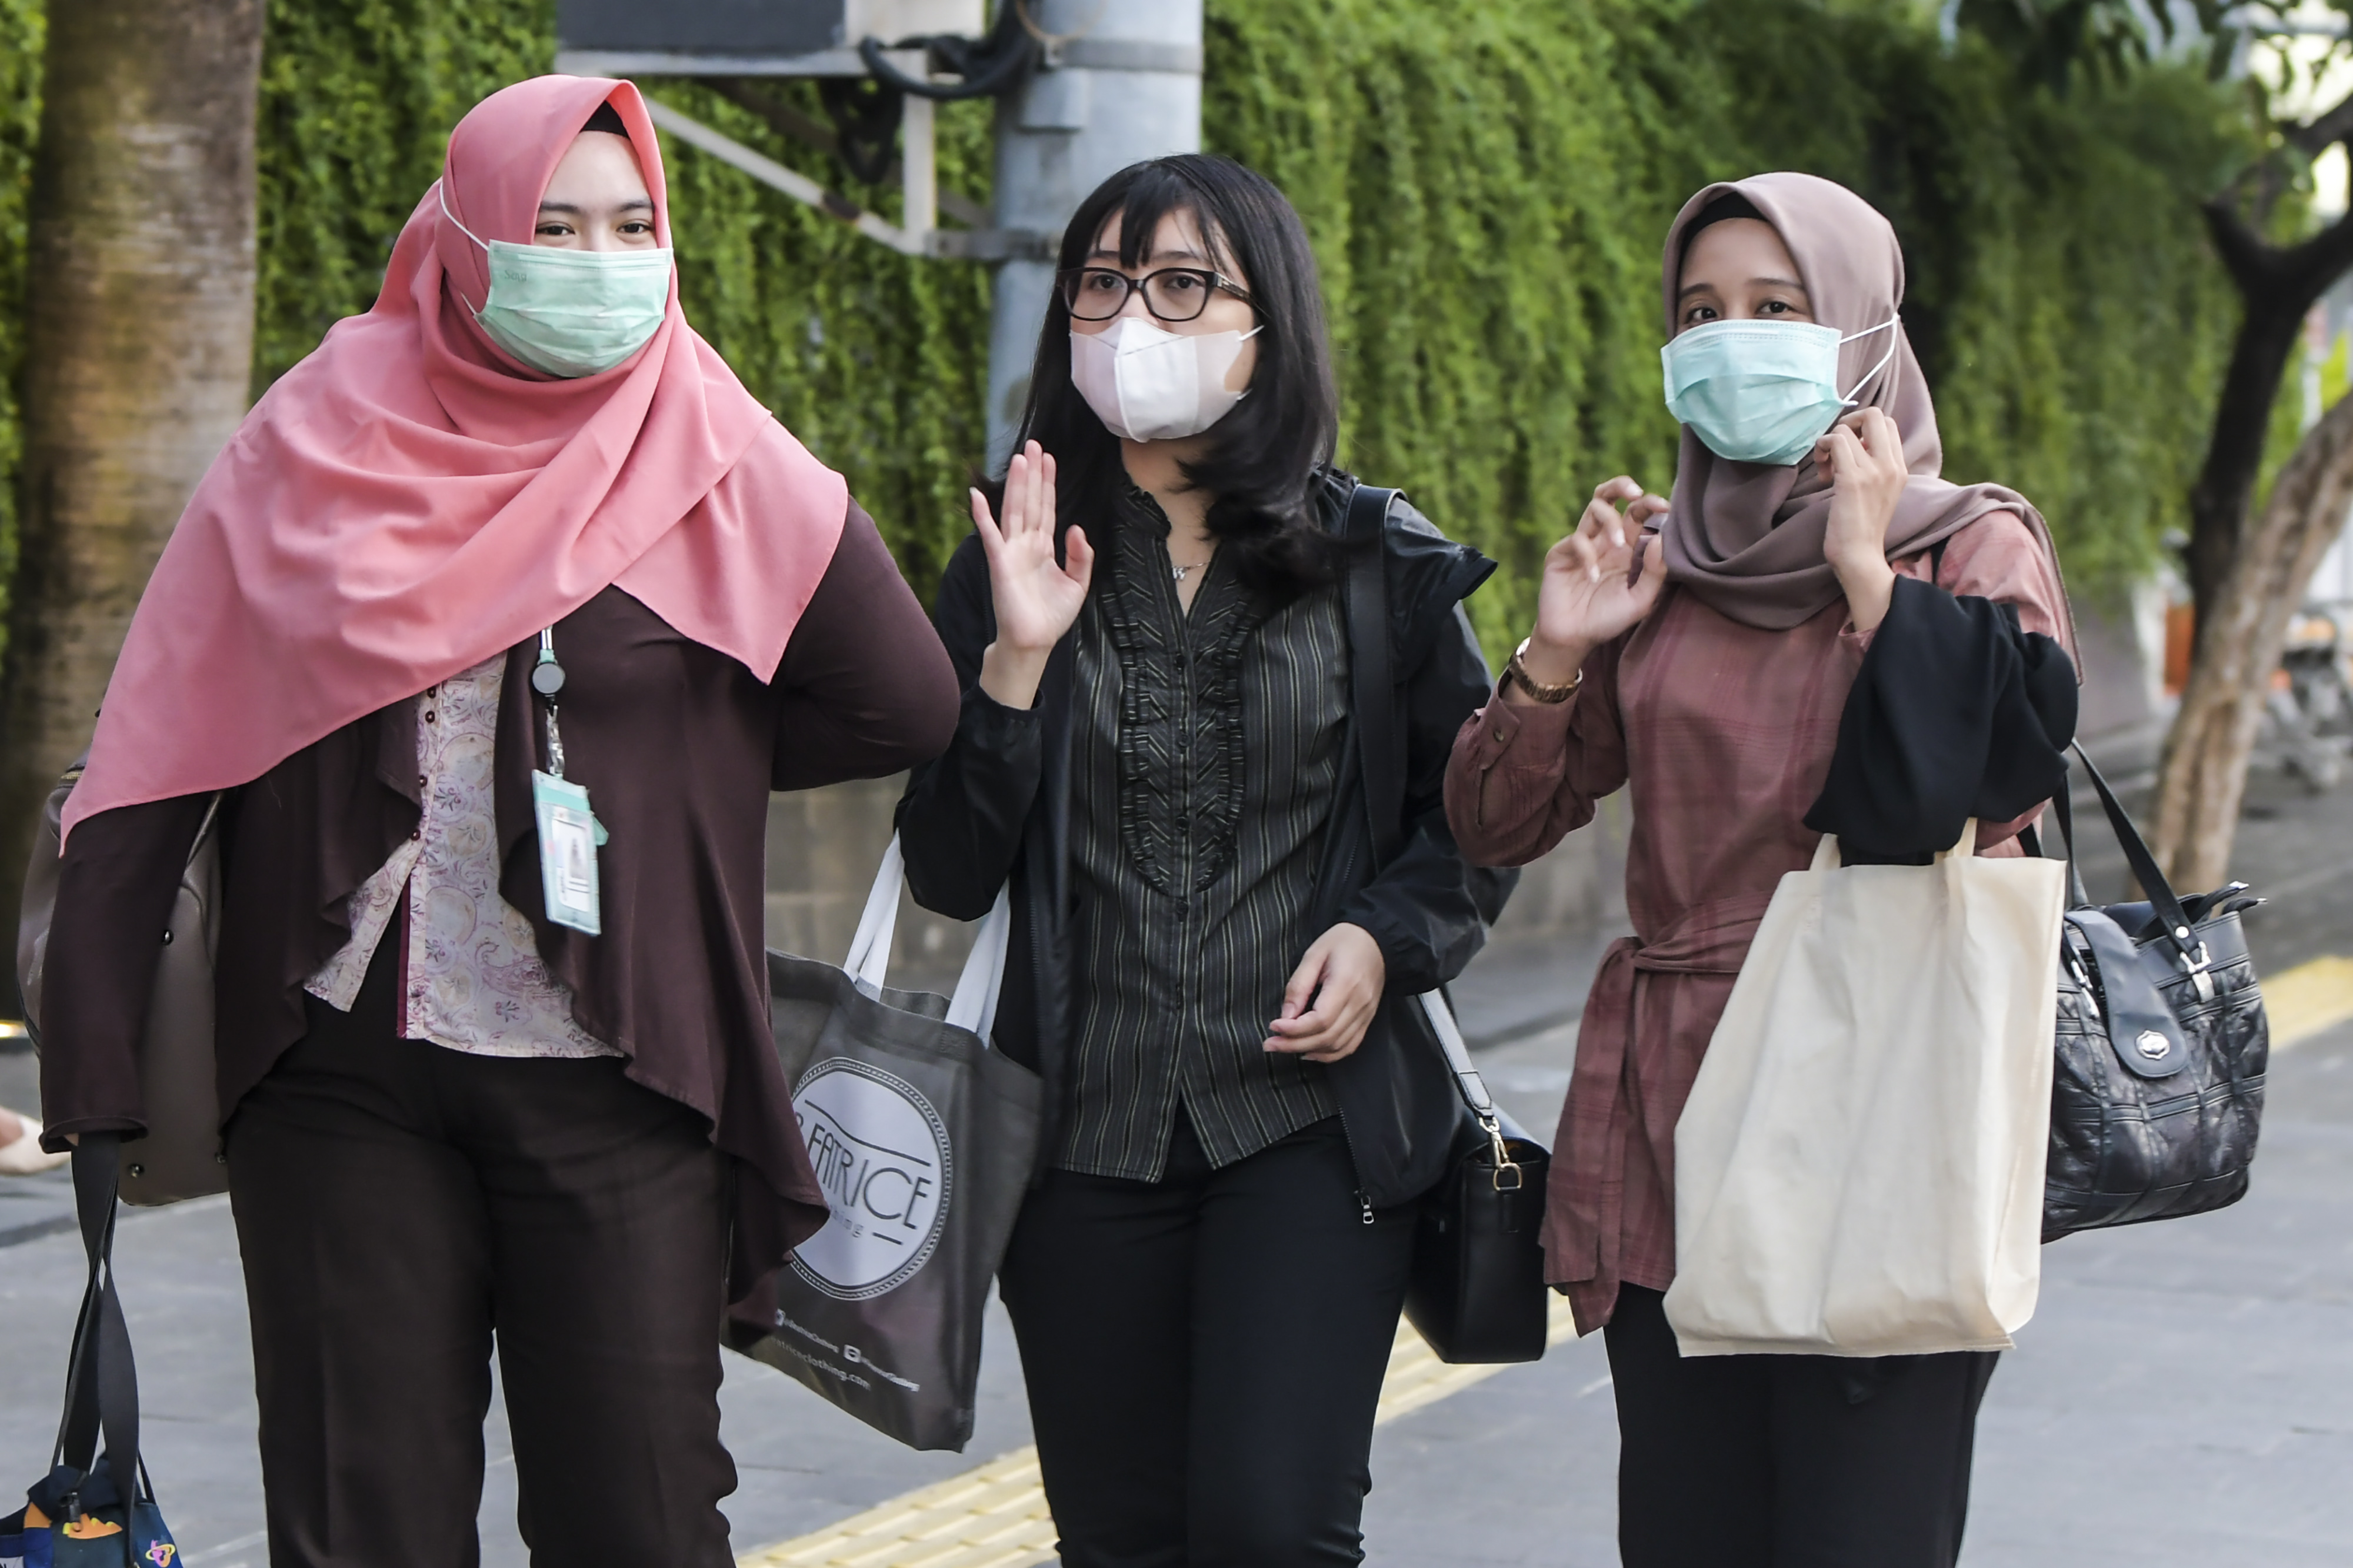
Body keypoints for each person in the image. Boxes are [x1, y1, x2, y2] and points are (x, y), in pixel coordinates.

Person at [31, 76, 959, 1566]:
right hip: (340, 1071)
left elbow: (901, 703)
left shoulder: (722, 452)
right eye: (554, 227)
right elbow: (161, 746)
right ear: (464, 245)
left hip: (619, 1078)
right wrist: (88, 1060)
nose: (600, 263)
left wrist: (676, 771)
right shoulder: (311, 441)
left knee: (640, 1517)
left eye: (633, 226)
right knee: (360, 1522)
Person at [1443, 172, 2077, 1567]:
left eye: (1776, 307)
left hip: (1884, 1111)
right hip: (1674, 1120)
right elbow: (1493, 826)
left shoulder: (1965, 543)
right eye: (1699, 312)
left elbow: (1998, 791)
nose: (1731, 338)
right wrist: (1554, 653)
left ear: (1862, 329)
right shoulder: (1659, 565)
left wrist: (1869, 580)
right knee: (1687, 1534)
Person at [895, 153, 1512, 1567]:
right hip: (1076, 1136)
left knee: (1269, 1528)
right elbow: (945, 866)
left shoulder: (1377, 560)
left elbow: (1475, 822)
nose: (1133, 320)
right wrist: (1012, 665)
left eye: (1181, 286)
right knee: (1118, 1537)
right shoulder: (1009, 552)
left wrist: (1382, 940)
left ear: (1263, 322)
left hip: (1306, 1129)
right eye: (1102, 285)